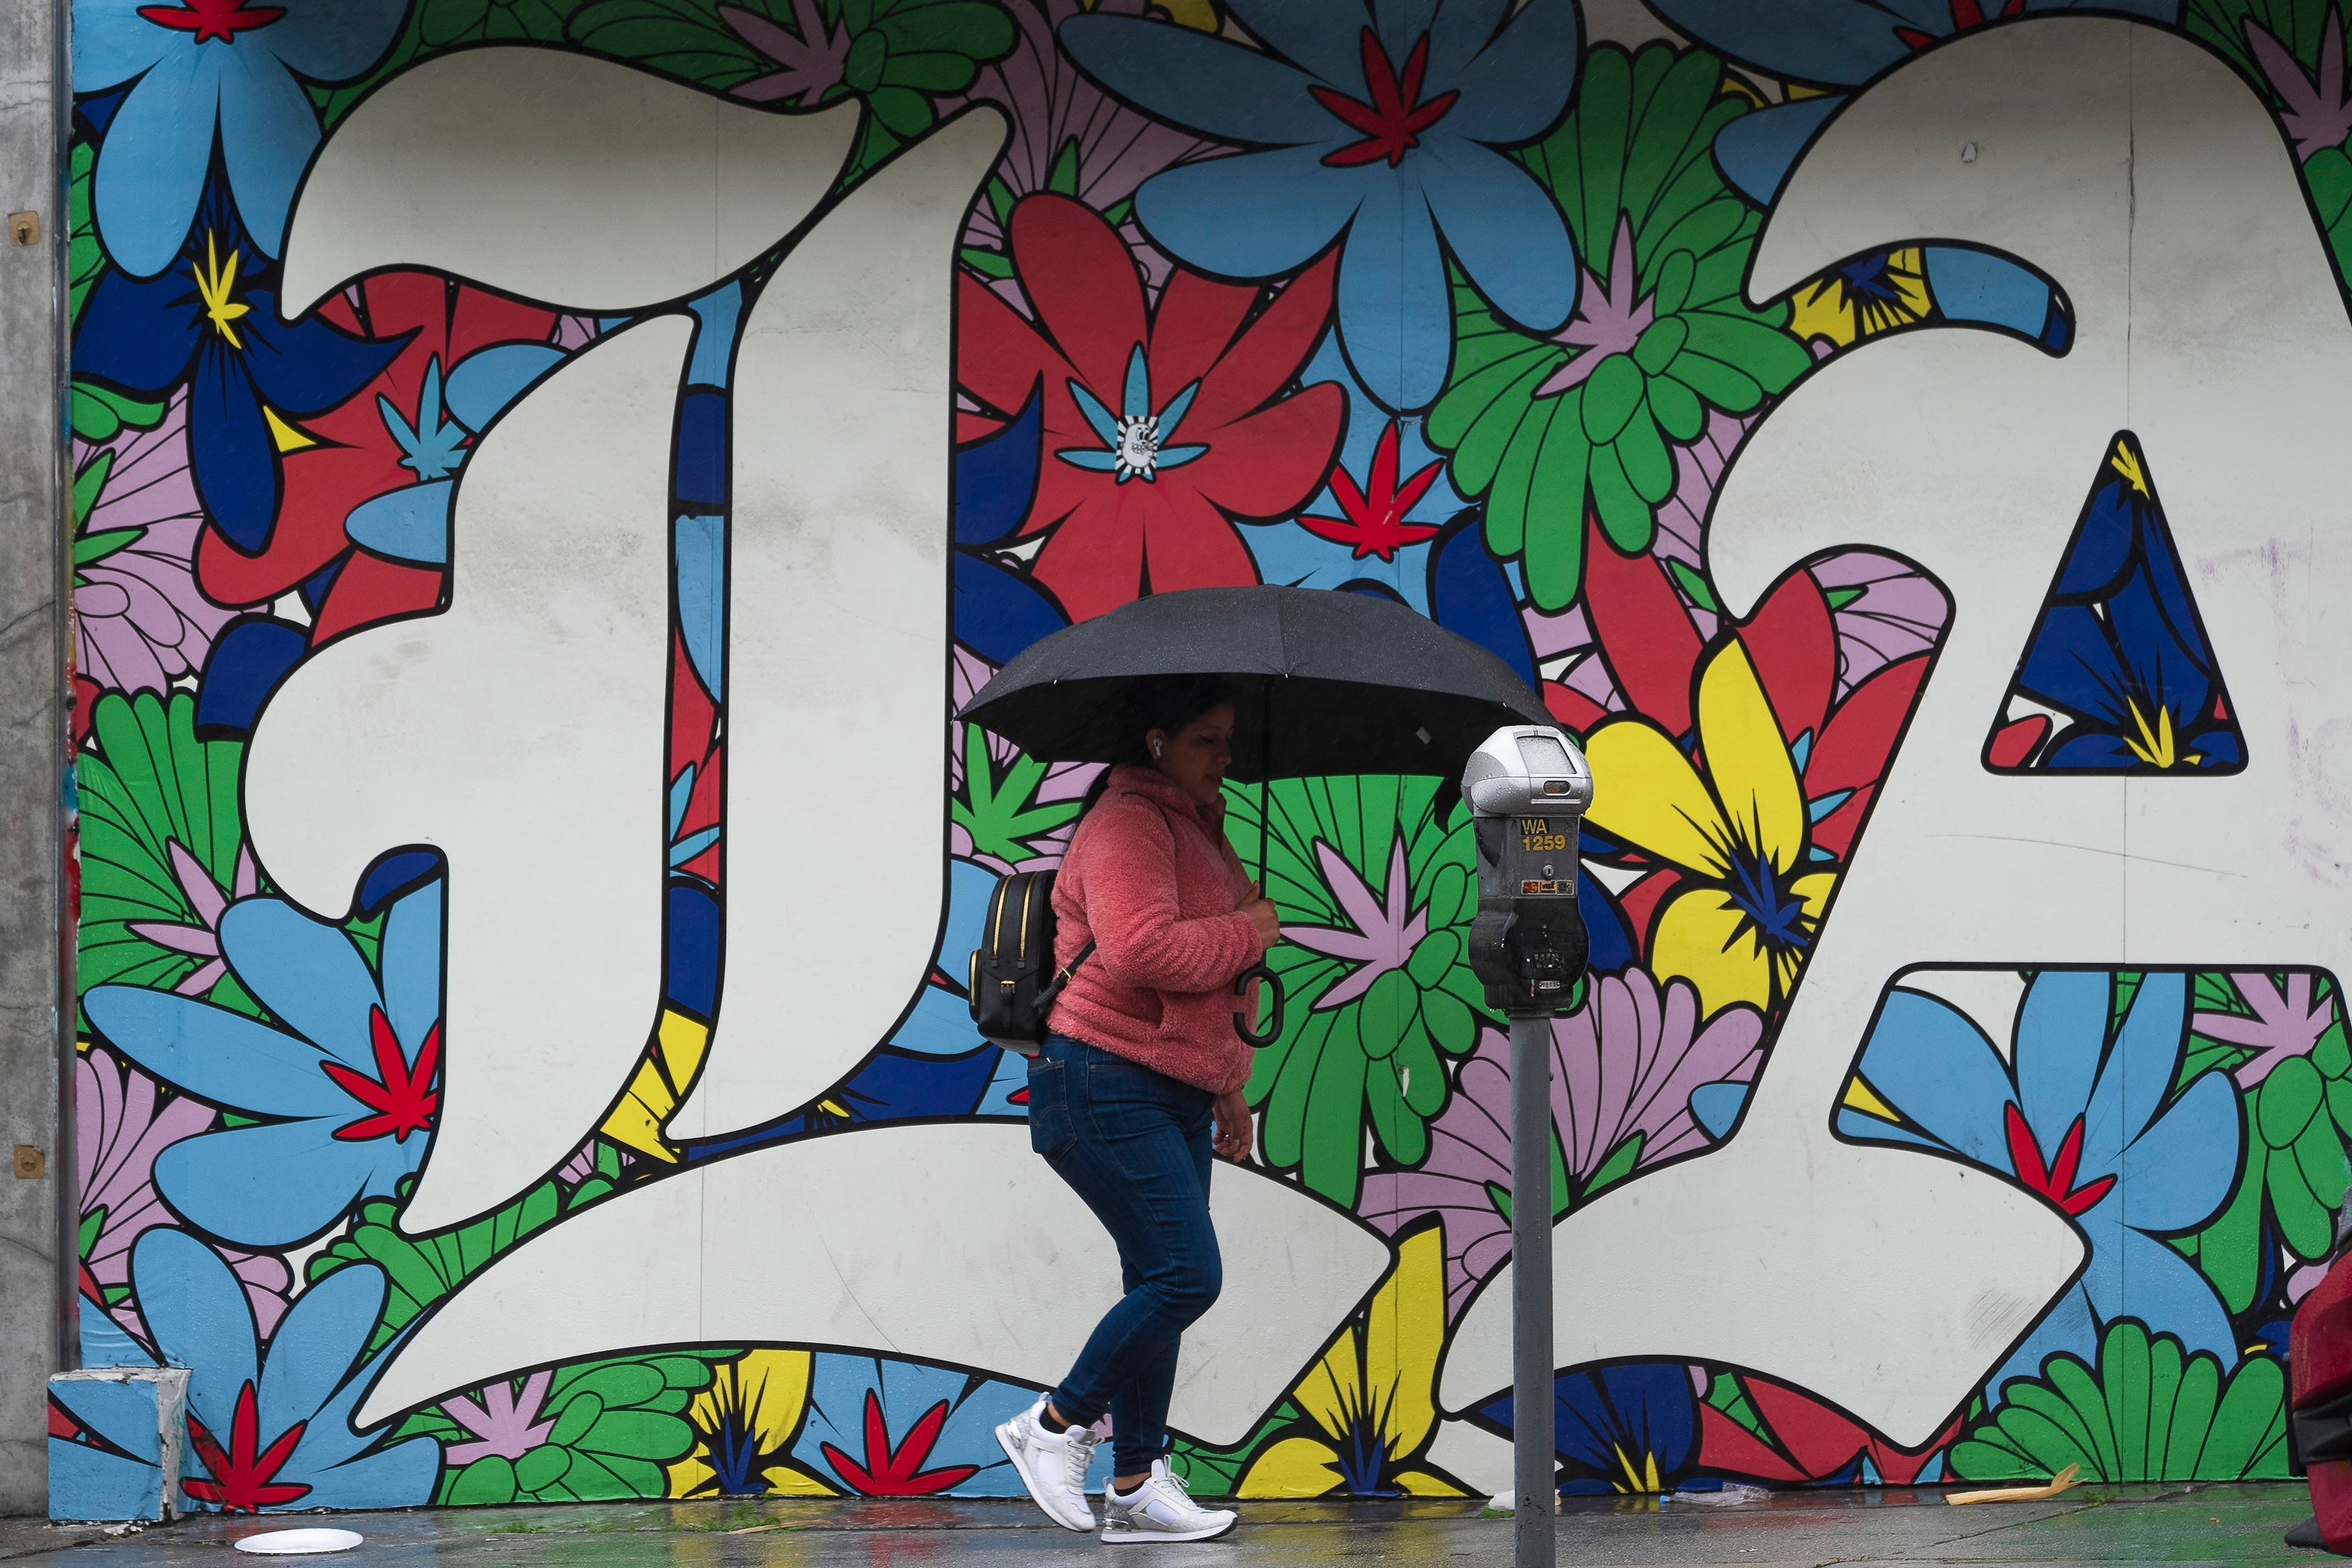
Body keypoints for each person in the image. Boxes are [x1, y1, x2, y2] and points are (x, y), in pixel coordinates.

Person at [994, 676, 1280, 1545]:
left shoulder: (1197, 826)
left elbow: (1209, 987)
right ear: (1156, 740)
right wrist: (1256, 929)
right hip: (1102, 1079)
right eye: (1207, 738)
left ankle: (1138, 1478)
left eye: (1229, 740)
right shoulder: (1128, 823)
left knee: (1154, 1278)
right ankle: (1052, 1424)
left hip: (1168, 1085)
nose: (1224, 755)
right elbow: (1144, 948)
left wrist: (1227, 1081)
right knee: (1186, 1275)